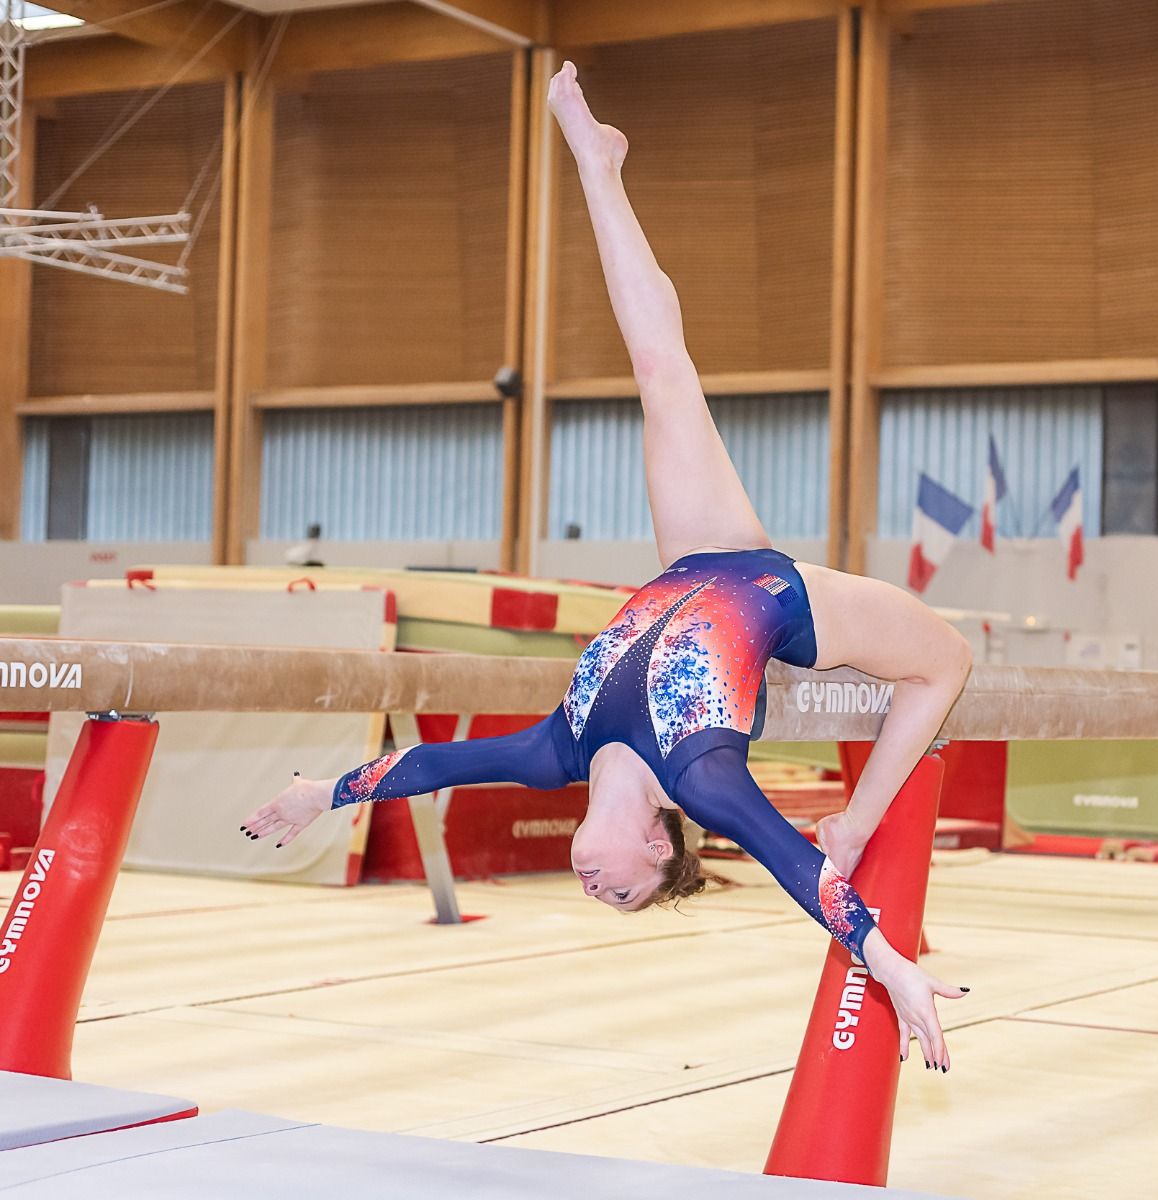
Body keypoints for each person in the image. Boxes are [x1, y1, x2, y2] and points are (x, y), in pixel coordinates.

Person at [241, 62, 973, 1073]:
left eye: (607, 898)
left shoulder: (559, 750)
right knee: (943, 663)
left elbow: (428, 767)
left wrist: (320, 793)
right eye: (627, 889)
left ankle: (596, 160)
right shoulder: (703, 779)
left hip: (692, 560)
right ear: (662, 843)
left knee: (658, 367)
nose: (602, 891)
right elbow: (797, 874)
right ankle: (861, 813)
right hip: (782, 596)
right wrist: (885, 957)